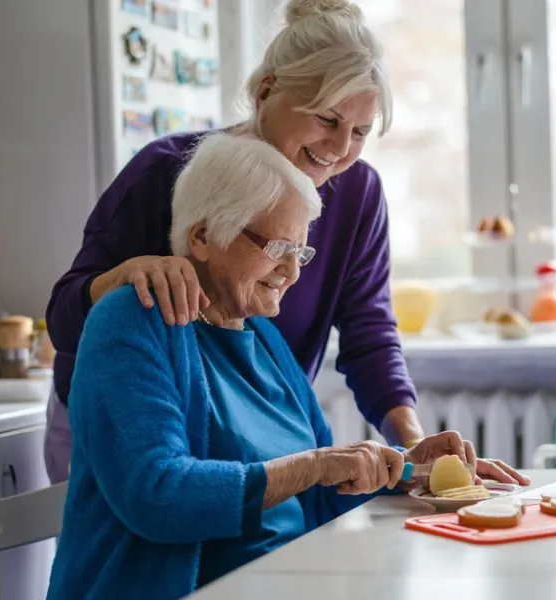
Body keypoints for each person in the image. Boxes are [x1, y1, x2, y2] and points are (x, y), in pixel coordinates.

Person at [44, 0, 529, 486]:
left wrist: (410, 444)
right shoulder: (164, 171)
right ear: (266, 91)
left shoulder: (357, 194)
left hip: (249, 440)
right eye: (326, 118)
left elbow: (369, 333)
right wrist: (123, 276)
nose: (340, 149)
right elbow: (64, 320)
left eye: (360, 131)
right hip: (128, 434)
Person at [47, 133, 480, 599]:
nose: (292, 272)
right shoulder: (132, 321)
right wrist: (313, 466)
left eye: (300, 252)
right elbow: (158, 494)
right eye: (276, 248)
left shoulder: (264, 339)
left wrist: (411, 470)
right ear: (203, 235)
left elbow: (322, 491)